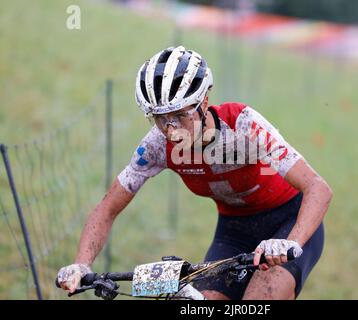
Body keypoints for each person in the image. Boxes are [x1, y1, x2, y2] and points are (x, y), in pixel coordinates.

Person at [57, 46, 333, 300]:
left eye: (180, 115)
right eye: (160, 119)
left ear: (203, 102)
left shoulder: (243, 125)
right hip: (233, 232)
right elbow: (108, 208)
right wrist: (82, 263)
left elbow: (318, 189)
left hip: (287, 221)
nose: (170, 128)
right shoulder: (156, 145)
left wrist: (289, 243)